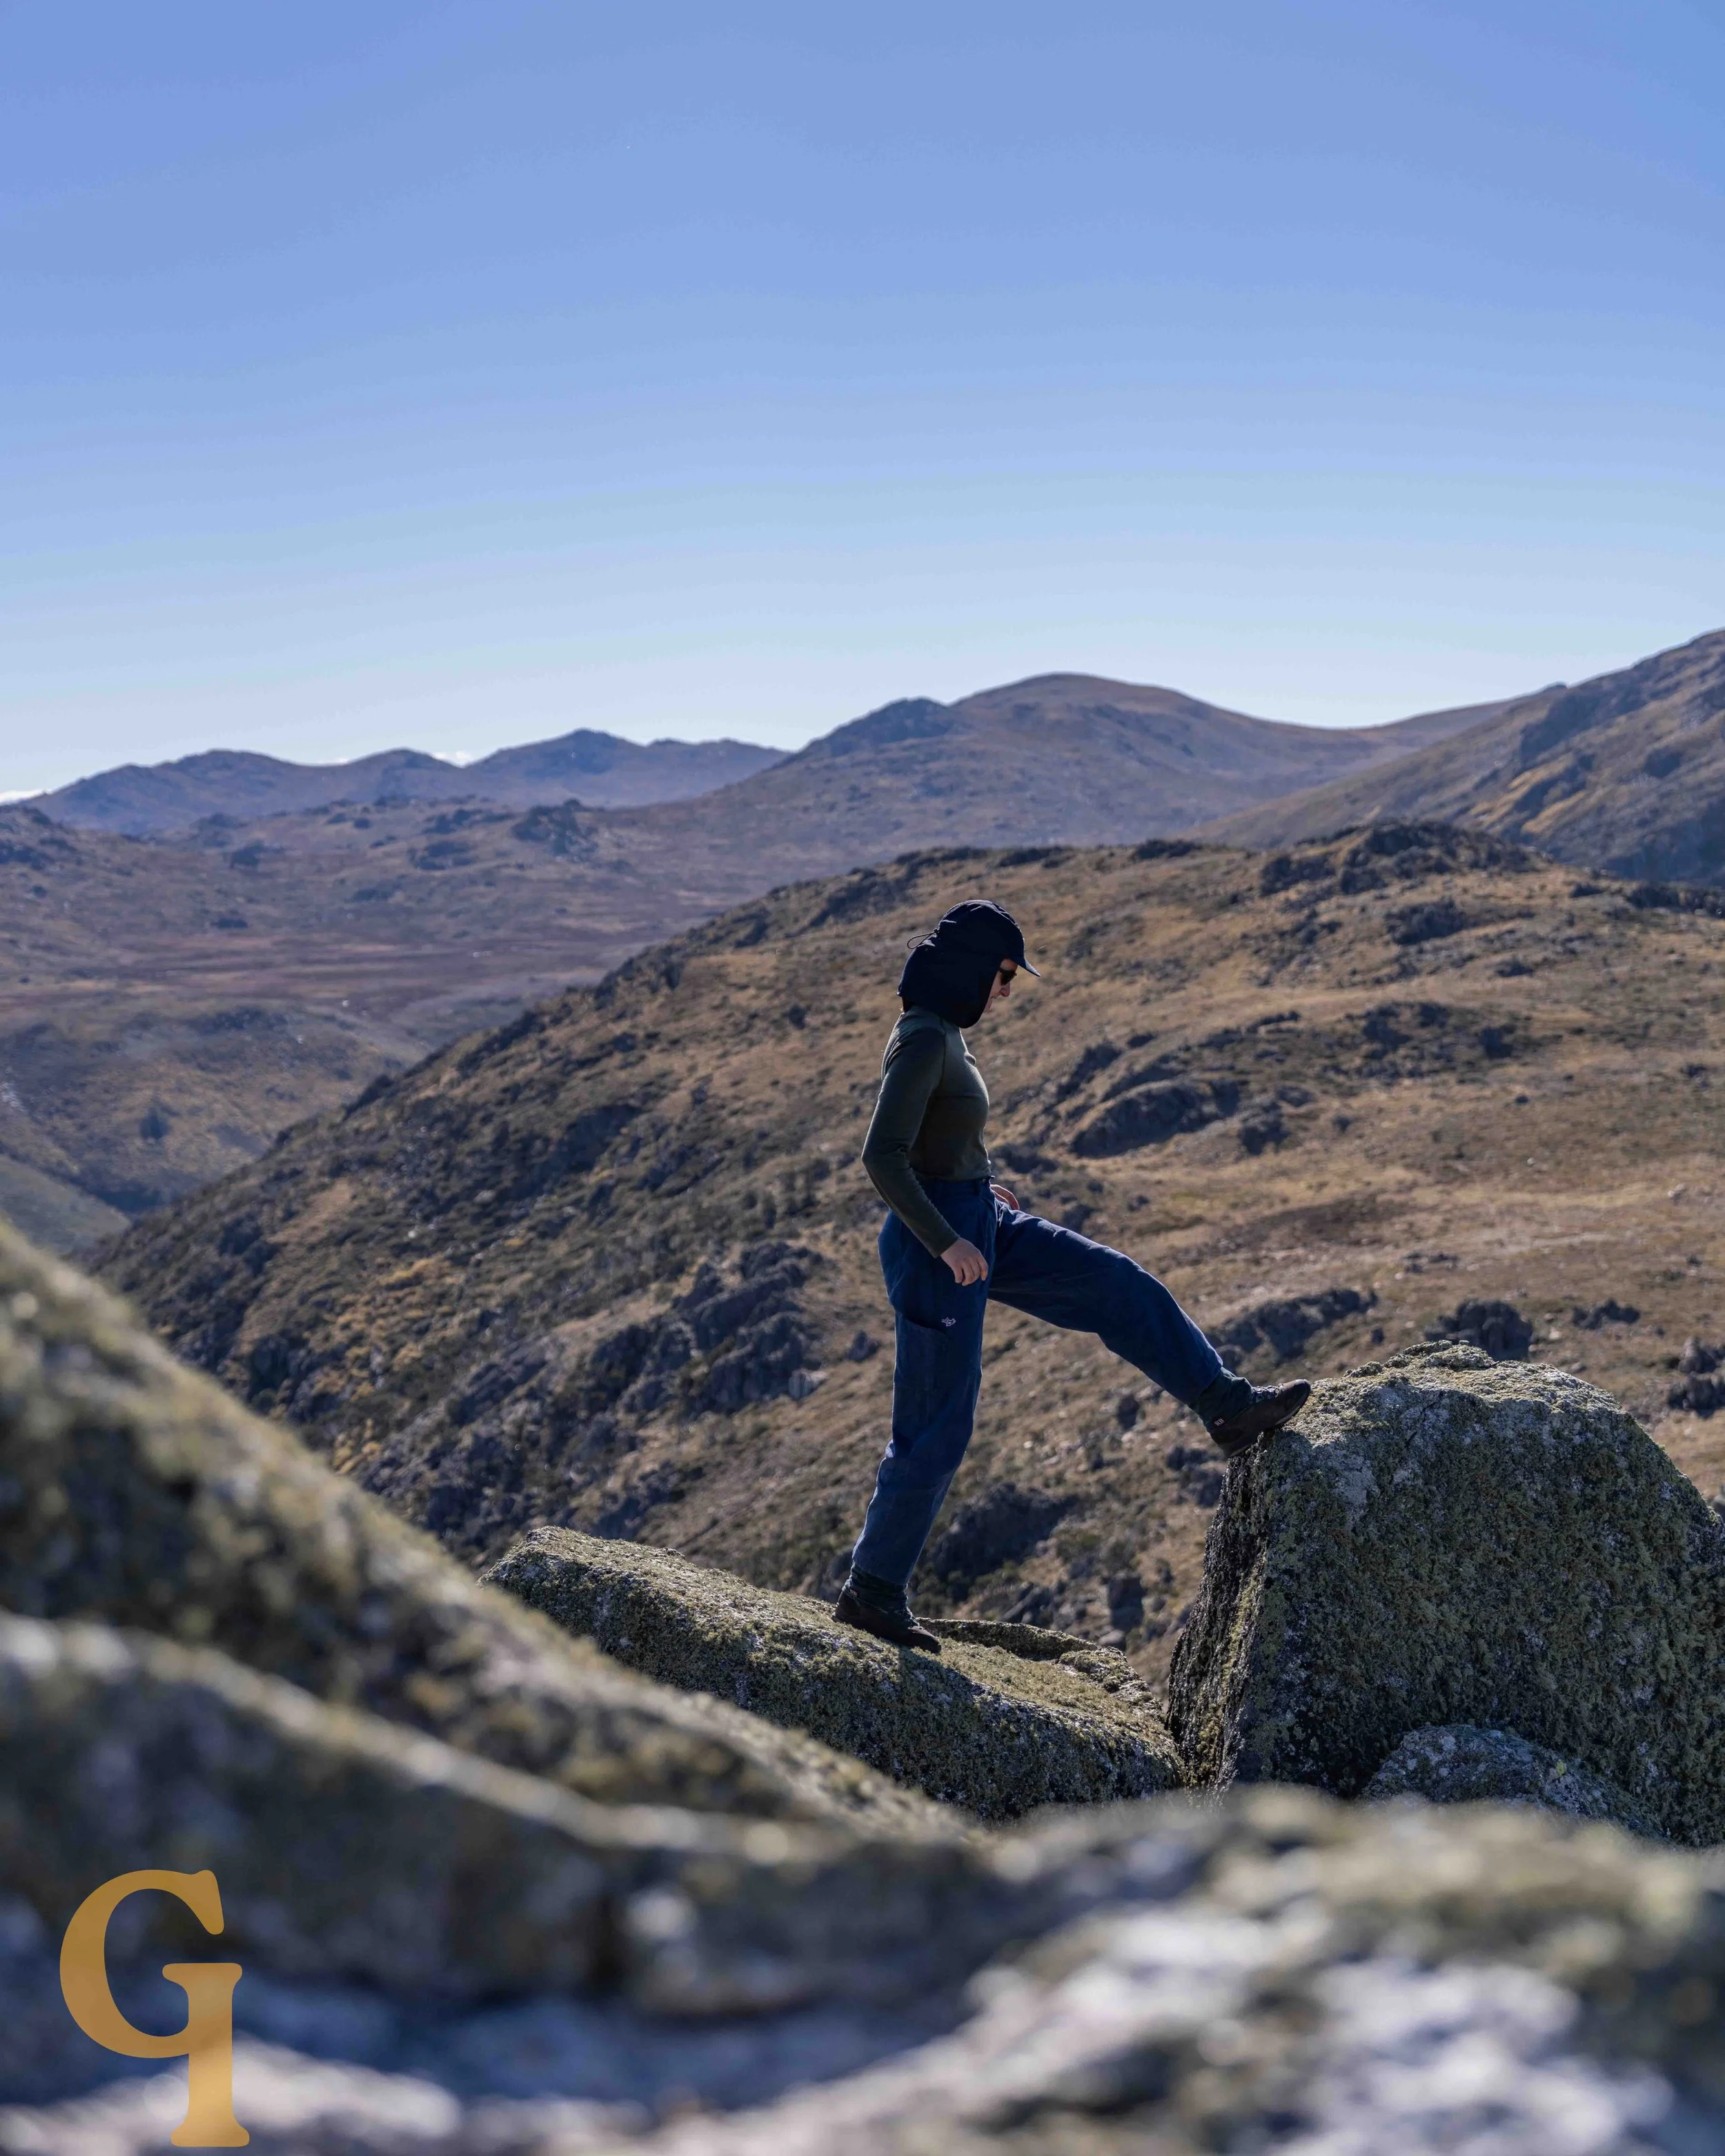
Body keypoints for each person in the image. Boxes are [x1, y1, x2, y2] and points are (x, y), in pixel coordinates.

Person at [834, 898, 1310, 1653]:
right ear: (970, 967)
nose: (1007, 989)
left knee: (1117, 1285)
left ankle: (1225, 1407)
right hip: (940, 1250)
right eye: (1002, 974)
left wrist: (975, 1190)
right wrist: (946, 1239)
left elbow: (935, 1143)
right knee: (936, 1427)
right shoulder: (924, 1038)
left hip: (975, 1219)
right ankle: (871, 1591)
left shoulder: (946, 1034)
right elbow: (881, 1156)